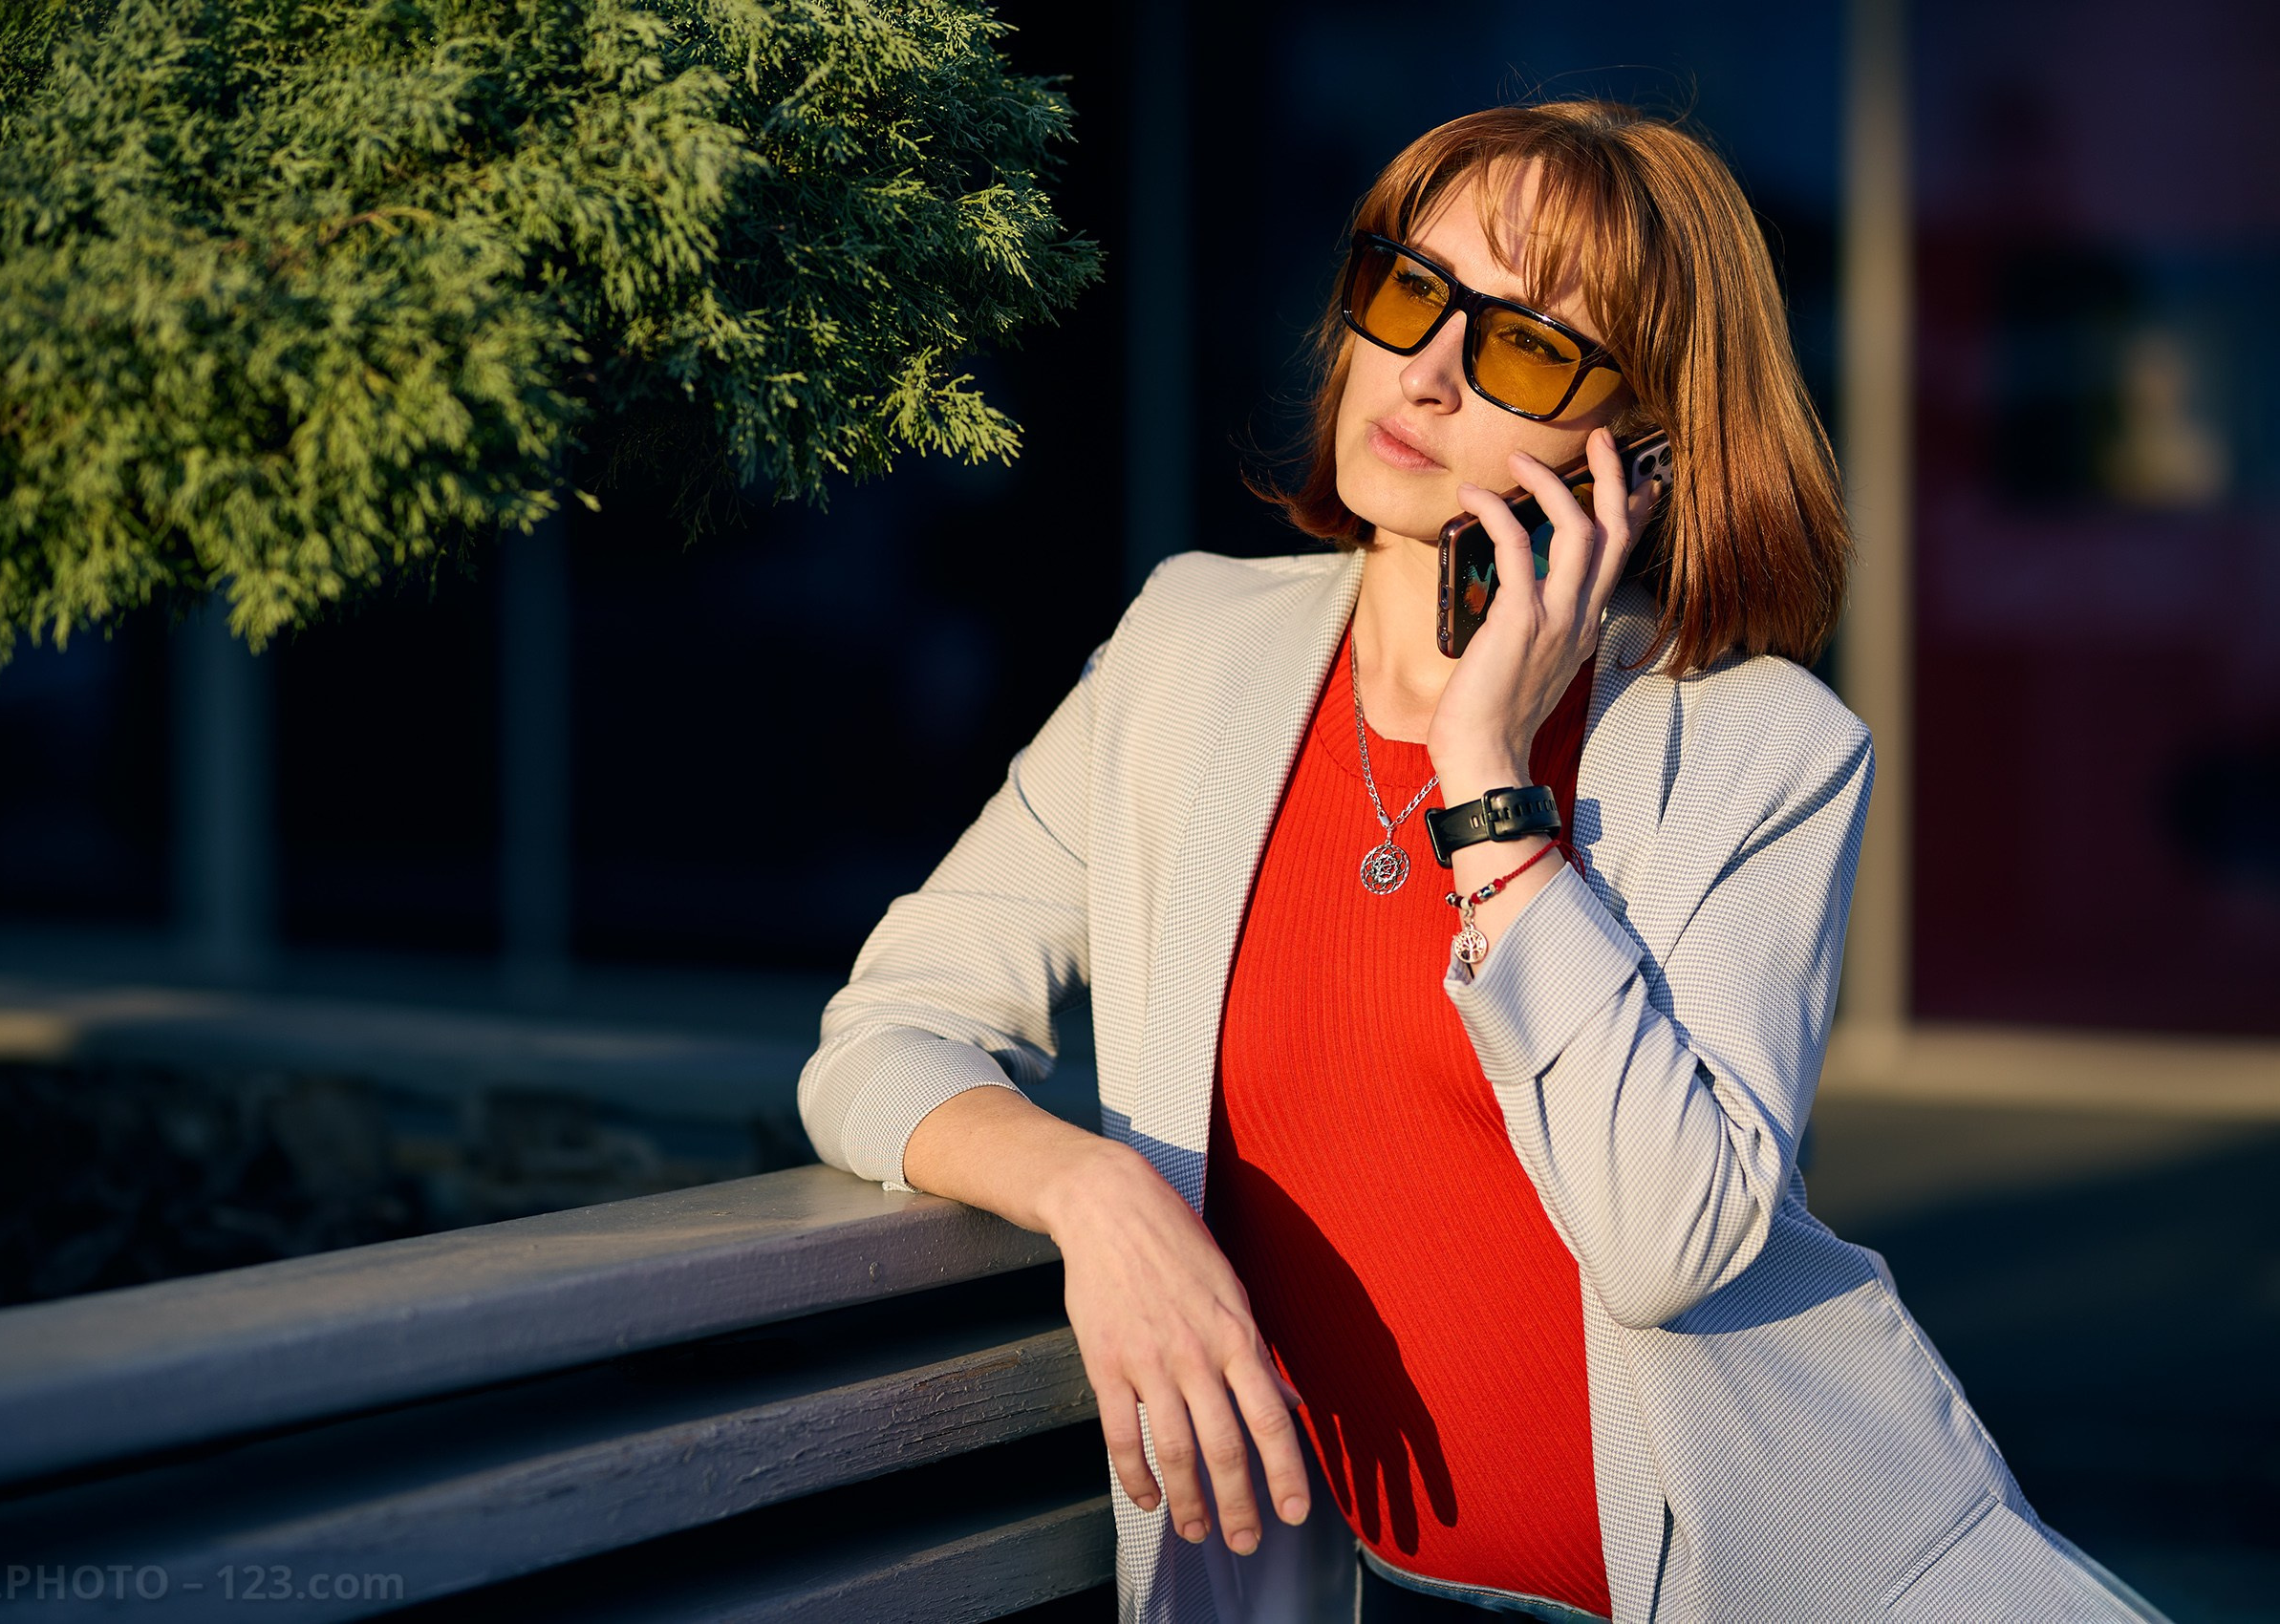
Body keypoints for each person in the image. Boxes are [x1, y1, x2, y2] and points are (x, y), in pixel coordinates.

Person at [798, 100, 2169, 1623]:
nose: (1425, 372)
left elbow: (1667, 1246)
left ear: (1641, 445)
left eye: (1523, 348)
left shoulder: (1758, 749)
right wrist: (1093, 1193)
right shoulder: (1185, 648)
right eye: (1409, 291)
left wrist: (1486, 777)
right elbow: (882, 1036)